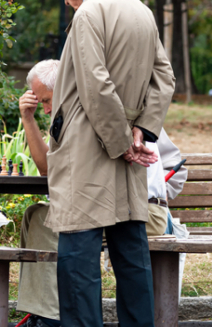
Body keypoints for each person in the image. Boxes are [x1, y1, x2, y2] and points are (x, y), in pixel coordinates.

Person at [46, 0, 175, 327]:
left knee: (78, 262)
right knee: (131, 256)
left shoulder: (88, 13)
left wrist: (122, 144)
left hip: (88, 152)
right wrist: (141, 133)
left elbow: (95, 87)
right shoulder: (141, 10)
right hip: (126, 153)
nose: (66, 1)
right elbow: (163, 77)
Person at [15, 60, 187, 327]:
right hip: (105, 206)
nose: (46, 109)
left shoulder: (101, 111)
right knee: (36, 214)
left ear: (64, 87)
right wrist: (28, 119)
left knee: (46, 221)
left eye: (47, 100)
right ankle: (46, 313)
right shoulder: (69, 117)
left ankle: (50, 319)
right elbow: (48, 171)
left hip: (143, 212)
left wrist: (158, 193)